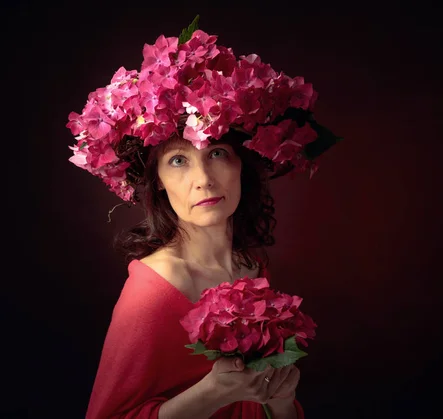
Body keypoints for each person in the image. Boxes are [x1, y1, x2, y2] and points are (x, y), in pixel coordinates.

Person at [67, 17, 340, 419]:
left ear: (240, 165)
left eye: (216, 153)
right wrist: (212, 393)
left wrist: (280, 397)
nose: (204, 180)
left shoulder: (249, 267)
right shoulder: (155, 294)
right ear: (157, 181)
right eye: (179, 161)